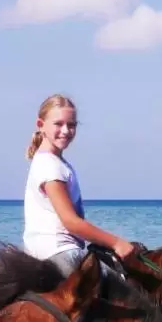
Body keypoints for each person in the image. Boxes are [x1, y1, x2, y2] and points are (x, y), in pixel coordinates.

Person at [22, 94, 136, 276]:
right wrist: (116, 243)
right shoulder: (50, 166)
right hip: (57, 250)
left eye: (72, 125)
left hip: (53, 249)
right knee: (123, 290)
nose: (66, 131)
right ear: (41, 125)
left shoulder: (55, 162)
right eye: (58, 124)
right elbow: (71, 222)